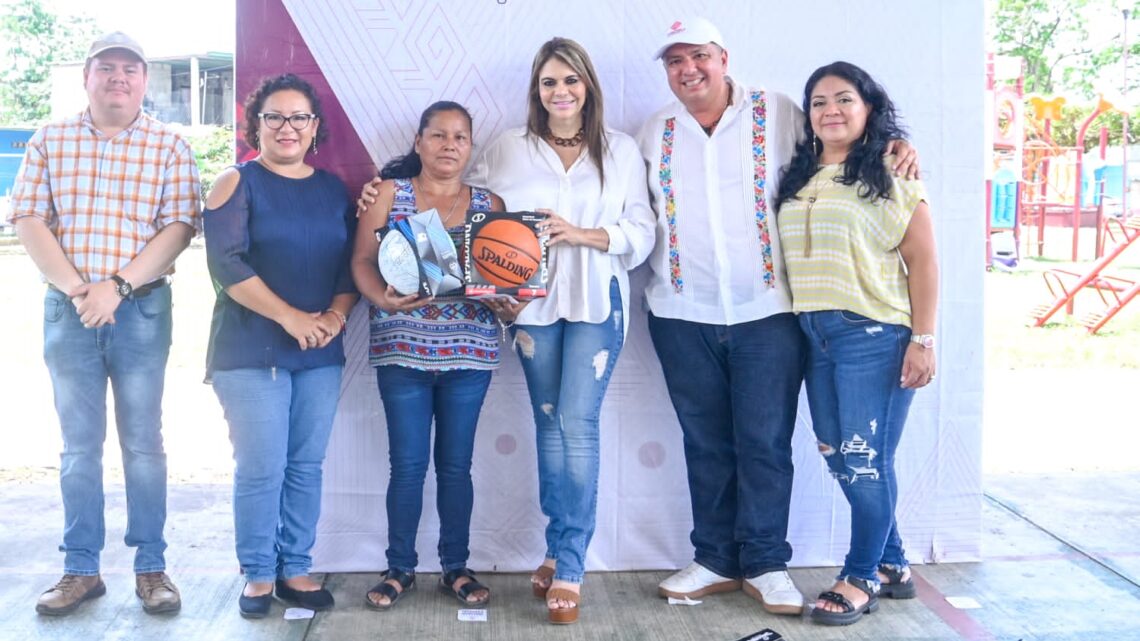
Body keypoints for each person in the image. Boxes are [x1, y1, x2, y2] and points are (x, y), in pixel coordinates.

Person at [635, 18, 919, 616]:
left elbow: (841, 146)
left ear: (723, 58)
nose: (689, 69)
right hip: (681, 314)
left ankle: (765, 563)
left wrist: (894, 145)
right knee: (705, 442)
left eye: (700, 56)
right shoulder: (652, 131)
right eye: (675, 60)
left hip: (770, 312)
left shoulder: (781, 110)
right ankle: (713, 557)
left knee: (764, 442)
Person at [8, 31, 199, 617]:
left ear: (144, 80)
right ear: (87, 77)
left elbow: (179, 227)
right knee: (77, 449)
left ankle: (151, 568)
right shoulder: (50, 139)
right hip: (68, 310)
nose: (119, 78)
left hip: (141, 309)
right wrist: (79, 290)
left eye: (130, 69)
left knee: (144, 445)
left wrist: (116, 288)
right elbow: (28, 216)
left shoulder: (169, 145)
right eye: (107, 68)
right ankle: (80, 570)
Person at [469, 37, 656, 624]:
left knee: (577, 423)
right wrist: (390, 187)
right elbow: (468, 204)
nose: (561, 92)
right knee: (548, 426)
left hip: (599, 302)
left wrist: (582, 234)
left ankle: (571, 563)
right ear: (536, 91)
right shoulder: (509, 149)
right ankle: (556, 546)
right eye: (549, 82)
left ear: (588, 86)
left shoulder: (620, 150)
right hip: (531, 311)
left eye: (571, 81)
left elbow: (642, 231)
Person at [775, 61, 937, 626]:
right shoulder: (799, 176)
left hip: (874, 333)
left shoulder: (890, 172)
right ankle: (892, 564)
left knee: (866, 462)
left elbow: (922, 261)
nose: (831, 111)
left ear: (868, 107)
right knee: (837, 454)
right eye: (819, 102)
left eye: (845, 99)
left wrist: (924, 339)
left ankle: (860, 574)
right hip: (813, 334)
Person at [202, 73, 358, 619]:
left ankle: (295, 566)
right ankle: (258, 574)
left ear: (315, 127)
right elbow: (226, 264)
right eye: (275, 117)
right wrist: (291, 318)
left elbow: (348, 265)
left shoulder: (332, 189)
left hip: (319, 349)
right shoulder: (236, 181)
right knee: (261, 467)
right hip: (251, 351)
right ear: (256, 124)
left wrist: (336, 315)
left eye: (299, 117)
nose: (287, 127)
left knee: (305, 465)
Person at [352, 101, 505, 611]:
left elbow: (504, 281)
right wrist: (380, 298)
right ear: (418, 142)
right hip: (401, 349)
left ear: (470, 146)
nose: (448, 145)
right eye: (437, 135)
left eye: (460, 137)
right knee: (408, 466)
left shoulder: (491, 204)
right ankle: (400, 568)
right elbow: (361, 260)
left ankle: (455, 568)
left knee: (457, 467)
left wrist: (509, 298)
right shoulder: (388, 195)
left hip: (470, 353)